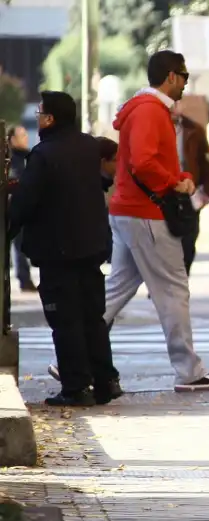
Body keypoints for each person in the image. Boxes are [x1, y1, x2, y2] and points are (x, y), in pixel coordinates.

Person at [102, 50, 209, 392]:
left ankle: (75, 356)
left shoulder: (146, 110)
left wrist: (181, 175)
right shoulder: (149, 111)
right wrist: (173, 183)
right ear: (171, 76)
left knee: (115, 290)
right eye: (185, 77)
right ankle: (189, 371)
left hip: (129, 210)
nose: (186, 84)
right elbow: (144, 162)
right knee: (173, 290)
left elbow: (148, 160)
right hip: (147, 213)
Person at [8, 91, 121, 406]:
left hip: (58, 251)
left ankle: (76, 386)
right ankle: (106, 381)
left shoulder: (43, 155)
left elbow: (26, 202)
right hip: (92, 245)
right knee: (92, 316)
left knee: (66, 319)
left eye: (42, 111)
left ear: (51, 118)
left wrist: (10, 226)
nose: (39, 116)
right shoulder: (89, 146)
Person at [175, 105, 209, 275]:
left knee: (188, 241)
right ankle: (162, 283)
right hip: (160, 195)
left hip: (189, 194)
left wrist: (207, 192)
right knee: (161, 243)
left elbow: (208, 162)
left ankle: (181, 279)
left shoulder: (194, 130)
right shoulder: (151, 128)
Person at [7, 125, 37, 292]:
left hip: (25, 208)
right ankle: (24, 279)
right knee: (19, 245)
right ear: (12, 139)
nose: (26, 138)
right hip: (17, 209)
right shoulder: (13, 160)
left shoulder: (28, 157)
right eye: (22, 135)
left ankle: (25, 278)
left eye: (26, 134)